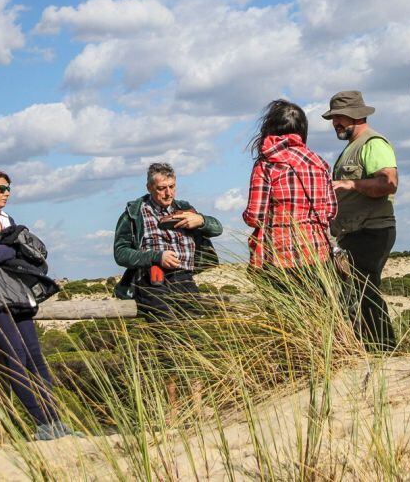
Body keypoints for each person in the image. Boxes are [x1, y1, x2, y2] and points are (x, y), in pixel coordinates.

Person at [0, 169, 76, 441]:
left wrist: (5, 251)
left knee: (35, 355)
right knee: (16, 356)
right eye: (1, 188)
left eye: (8, 188)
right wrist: (9, 250)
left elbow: (22, 253)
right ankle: (42, 422)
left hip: (13, 289)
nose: (7, 193)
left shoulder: (8, 220)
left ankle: (56, 421)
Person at [322, 91, 399, 351]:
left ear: (356, 114)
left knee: (363, 291)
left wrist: (349, 183)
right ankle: (373, 348)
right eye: (333, 118)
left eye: (339, 117)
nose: (335, 123)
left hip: (371, 230)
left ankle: (383, 349)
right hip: (354, 232)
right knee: (358, 292)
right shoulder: (352, 147)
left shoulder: (373, 143)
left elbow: (389, 183)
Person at [243, 100, 338, 287]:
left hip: (279, 258)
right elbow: (331, 211)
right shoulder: (320, 163)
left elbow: (254, 217)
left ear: (271, 128)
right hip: (318, 255)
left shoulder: (267, 165)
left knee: (279, 315)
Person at [113, 162, 223, 320]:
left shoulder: (185, 209)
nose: (168, 193)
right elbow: (120, 253)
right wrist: (157, 257)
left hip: (184, 278)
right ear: (149, 187)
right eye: (161, 188)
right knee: (167, 328)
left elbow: (218, 229)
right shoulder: (134, 214)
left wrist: (201, 220)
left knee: (196, 329)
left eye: (172, 187)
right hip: (151, 280)